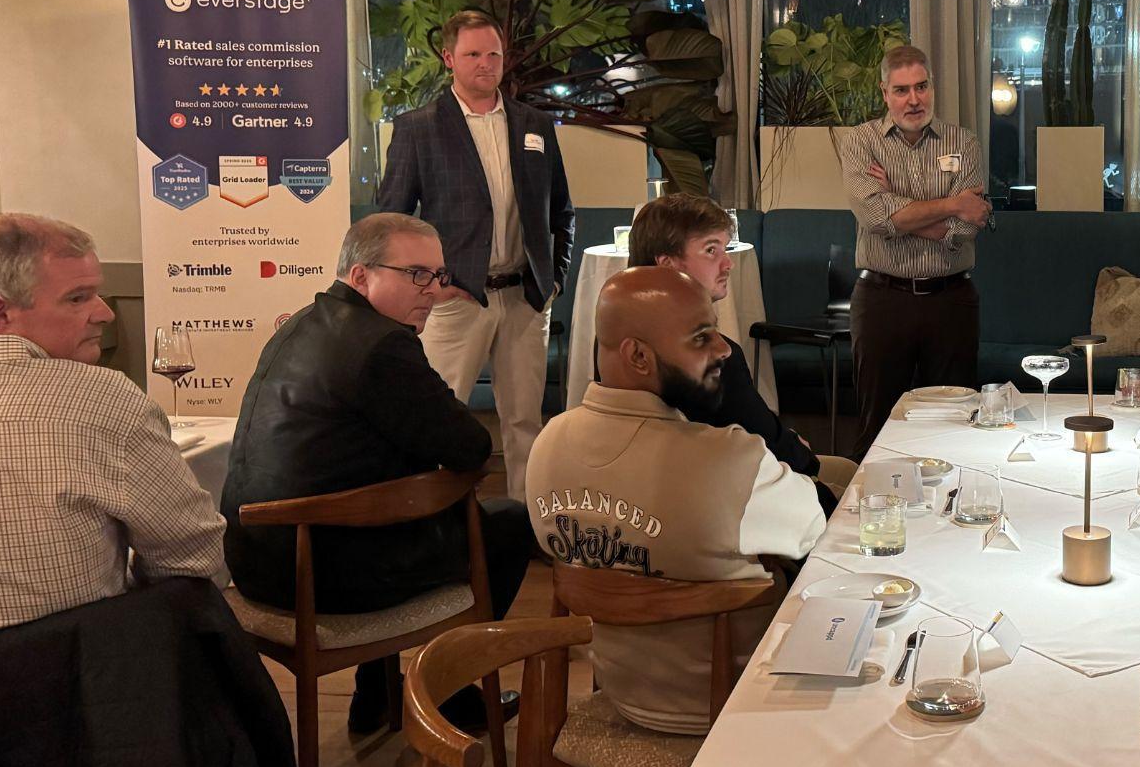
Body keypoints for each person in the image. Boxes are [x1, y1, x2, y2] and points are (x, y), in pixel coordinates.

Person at [221, 212, 534, 732]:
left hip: (255, 559)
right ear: (361, 275)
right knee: (510, 524)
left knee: (392, 498)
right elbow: (471, 446)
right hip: (319, 574)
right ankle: (448, 697)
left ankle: (378, 696)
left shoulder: (301, 323)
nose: (434, 290)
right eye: (416, 274)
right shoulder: (382, 344)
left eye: (438, 274)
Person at [524, 266, 826, 734]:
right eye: (701, 337)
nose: (724, 349)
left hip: (621, 697)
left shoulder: (546, 447)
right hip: (744, 709)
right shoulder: (728, 462)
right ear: (638, 356)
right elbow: (821, 528)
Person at [0, 213, 225, 637]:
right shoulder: (104, 399)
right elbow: (193, 559)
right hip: (74, 667)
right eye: (77, 298)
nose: (104, 313)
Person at [380, 8, 574, 501]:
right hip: (454, 300)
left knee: (526, 422)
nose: (486, 64)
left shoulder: (534, 124)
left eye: (494, 54)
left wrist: (554, 278)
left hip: (525, 297)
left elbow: (562, 210)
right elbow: (390, 223)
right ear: (449, 58)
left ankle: (527, 523)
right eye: (473, 55)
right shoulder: (418, 128)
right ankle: (435, 521)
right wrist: (428, 286)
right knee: (436, 419)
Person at [629, 192, 854, 513]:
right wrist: (800, 453)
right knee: (850, 479)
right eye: (711, 250)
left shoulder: (619, 344)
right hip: (728, 497)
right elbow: (765, 444)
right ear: (667, 265)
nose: (728, 264)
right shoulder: (712, 354)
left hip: (650, 491)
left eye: (725, 249)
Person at [839, 43, 989, 451]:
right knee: (878, 427)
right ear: (884, 92)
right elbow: (875, 218)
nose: (914, 100)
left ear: (932, 87)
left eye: (921, 87)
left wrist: (898, 206)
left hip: (951, 299)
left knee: (955, 425)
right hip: (882, 299)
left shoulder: (964, 142)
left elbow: (965, 229)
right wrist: (951, 204)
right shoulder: (861, 142)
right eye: (902, 90)